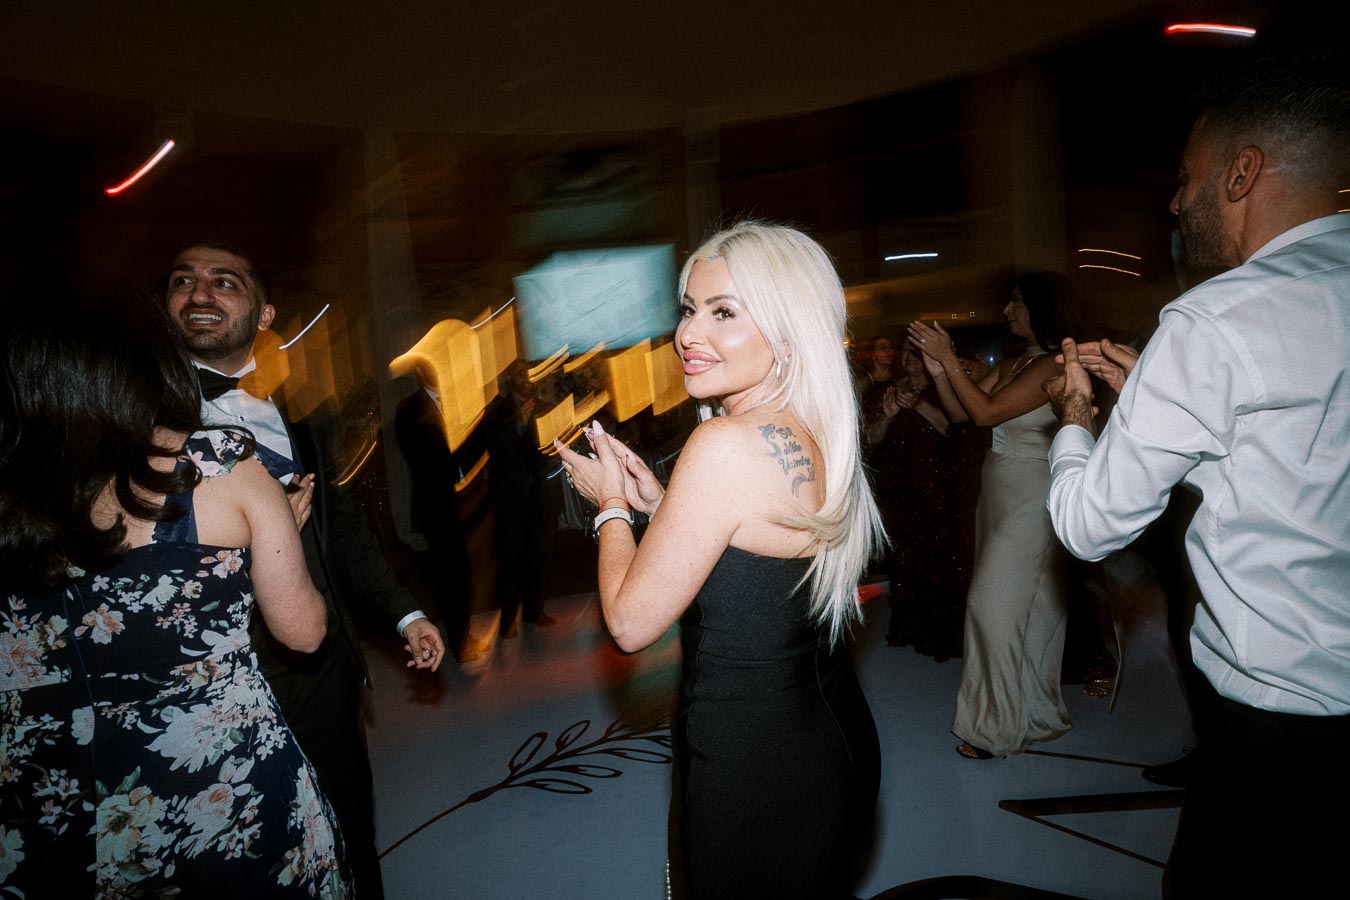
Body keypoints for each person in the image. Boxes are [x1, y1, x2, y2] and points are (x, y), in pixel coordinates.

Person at [1044, 53, 1350, 896]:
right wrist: (1165, 391)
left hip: (1281, 732)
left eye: (1187, 179)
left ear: (1242, 172)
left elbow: (1086, 524)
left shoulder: (1216, 318)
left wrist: (1075, 421)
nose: (1176, 202)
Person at [558, 222, 884, 898]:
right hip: (828, 738)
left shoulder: (725, 445)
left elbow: (629, 623)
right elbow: (755, 554)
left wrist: (612, 506)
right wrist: (662, 506)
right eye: (688, 308)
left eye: (724, 311)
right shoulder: (815, 428)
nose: (688, 333)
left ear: (788, 333)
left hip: (750, 767)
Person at [0, 279, 350, 897]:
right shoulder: (222, 467)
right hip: (219, 790)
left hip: (41, 806)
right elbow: (304, 628)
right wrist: (272, 543)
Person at [164, 241, 445, 898]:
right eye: (183, 280)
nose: (200, 292)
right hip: (214, 686)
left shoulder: (294, 423)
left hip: (320, 675)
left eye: (223, 281)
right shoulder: (138, 425)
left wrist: (404, 611)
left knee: (348, 830)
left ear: (263, 316)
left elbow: (341, 531)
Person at [908, 272, 1071, 758]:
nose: (1006, 311)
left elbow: (986, 413)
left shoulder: (1053, 364)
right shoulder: (1021, 360)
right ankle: (1038, 716)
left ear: (1039, 308)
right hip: (998, 495)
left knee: (991, 607)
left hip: (1032, 498)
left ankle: (993, 727)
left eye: (1016, 302)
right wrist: (939, 368)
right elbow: (961, 413)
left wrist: (950, 364)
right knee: (1030, 611)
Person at [868, 344, 983, 659]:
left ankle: (941, 634)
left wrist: (918, 404)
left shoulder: (944, 389)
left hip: (939, 488)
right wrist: (890, 417)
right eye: (905, 352)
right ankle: (909, 626)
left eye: (916, 353)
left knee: (940, 559)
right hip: (900, 489)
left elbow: (954, 428)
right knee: (904, 560)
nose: (909, 358)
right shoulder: (890, 391)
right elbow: (871, 438)